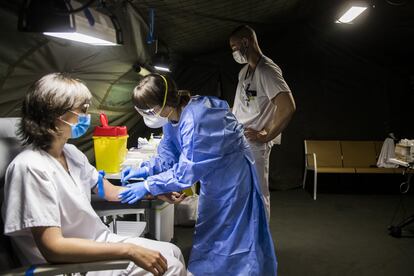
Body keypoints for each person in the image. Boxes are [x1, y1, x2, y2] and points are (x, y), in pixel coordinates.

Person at [1, 73, 187, 276]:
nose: (87, 116)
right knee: (171, 267)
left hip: (95, 242)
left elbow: (110, 191)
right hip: (65, 265)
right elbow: (53, 248)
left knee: (173, 251)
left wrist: (153, 191)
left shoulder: (71, 153)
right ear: (55, 117)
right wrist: (130, 251)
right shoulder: (30, 168)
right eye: (82, 110)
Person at [120, 73, 277, 275]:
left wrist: (149, 185)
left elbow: (186, 172)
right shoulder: (172, 117)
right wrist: (146, 169)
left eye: (150, 111)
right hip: (213, 177)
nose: (148, 116)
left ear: (166, 103)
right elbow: (169, 154)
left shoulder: (196, 120)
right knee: (213, 227)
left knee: (234, 233)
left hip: (233, 179)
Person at [229, 25, 296, 220]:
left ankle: (261, 243)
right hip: (240, 140)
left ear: (245, 42)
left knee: (258, 192)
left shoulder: (266, 70)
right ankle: (248, 238)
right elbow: (243, 107)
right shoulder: (244, 72)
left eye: (234, 47)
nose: (233, 52)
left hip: (255, 145)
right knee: (242, 193)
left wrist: (266, 135)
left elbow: (287, 106)